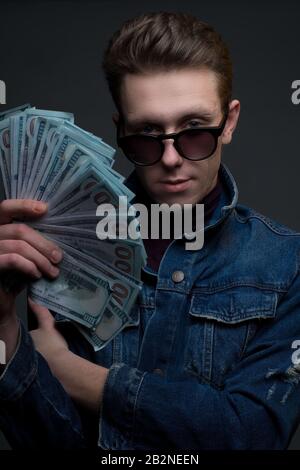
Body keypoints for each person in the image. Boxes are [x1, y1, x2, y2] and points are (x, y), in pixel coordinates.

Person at [1, 11, 300, 450]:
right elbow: (52, 441)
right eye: (147, 134)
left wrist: (78, 375)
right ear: (120, 131)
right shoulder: (59, 247)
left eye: (195, 131)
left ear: (230, 121)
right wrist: (5, 327)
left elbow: (252, 435)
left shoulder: (289, 266)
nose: (172, 158)